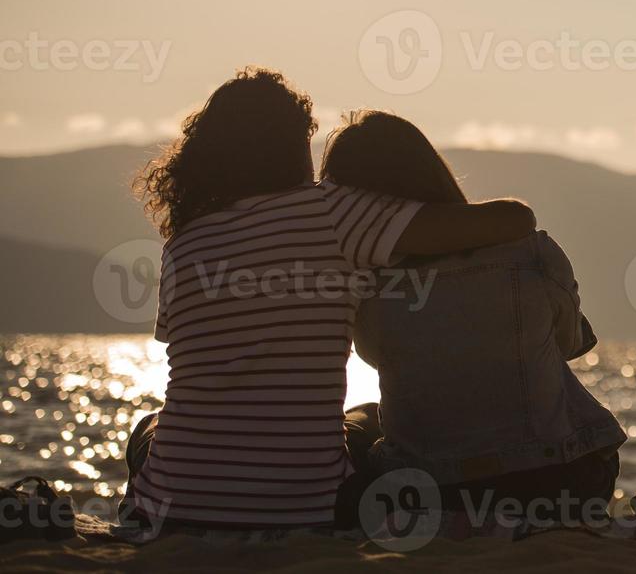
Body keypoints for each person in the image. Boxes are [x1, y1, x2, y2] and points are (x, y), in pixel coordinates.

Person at [120, 68, 537, 534]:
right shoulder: (335, 211)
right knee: (371, 420)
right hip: (305, 513)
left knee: (148, 428)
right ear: (295, 145)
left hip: (174, 514)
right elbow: (512, 220)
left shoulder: (183, 242)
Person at [320, 110, 625, 530]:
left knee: (361, 420)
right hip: (568, 482)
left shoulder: (365, 286)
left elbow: (378, 358)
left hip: (438, 492)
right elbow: (569, 345)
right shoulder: (532, 252)